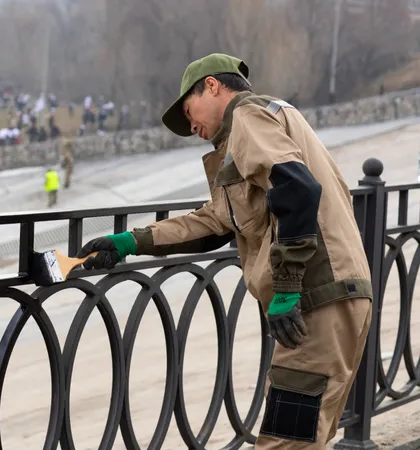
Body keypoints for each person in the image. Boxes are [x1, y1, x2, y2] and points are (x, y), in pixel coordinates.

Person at [76, 53, 372, 450]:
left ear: (213, 86)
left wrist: (286, 288)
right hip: (339, 295)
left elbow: (298, 190)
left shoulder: (247, 117)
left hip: (315, 300)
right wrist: (133, 241)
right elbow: (216, 222)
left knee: (284, 443)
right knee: (307, 438)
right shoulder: (274, 118)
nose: (191, 126)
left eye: (188, 110)